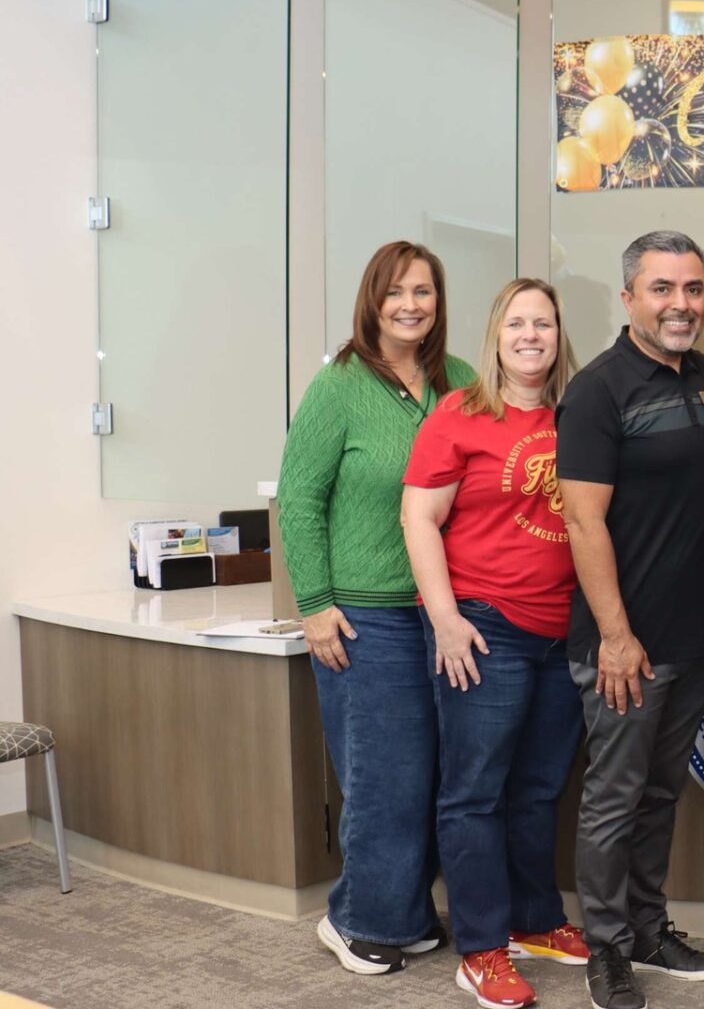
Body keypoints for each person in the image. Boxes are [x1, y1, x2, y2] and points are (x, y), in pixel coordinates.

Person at [279, 240, 474, 974]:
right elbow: (299, 497)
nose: (410, 305)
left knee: (430, 775)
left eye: (423, 291)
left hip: (442, 612)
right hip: (365, 616)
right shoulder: (341, 382)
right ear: (373, 300)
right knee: (383, 776)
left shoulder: (457, 380)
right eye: (396, 292)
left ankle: (405, 910)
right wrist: (316, 604)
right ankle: (357, 918)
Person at [400, 278, 588, 1009]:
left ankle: (535, 921)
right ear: (497, 335)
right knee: (474, 794)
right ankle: (480, 948)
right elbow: (419, 519)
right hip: (484, 625)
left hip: (560, 627)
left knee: (539, 789)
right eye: (518, 323)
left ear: (558, 333)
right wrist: (445, 619)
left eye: (543, 323)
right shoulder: (459, 415)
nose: (531, 335)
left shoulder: (579, 417)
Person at [557, 231, 704, 1009]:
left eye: (692, 289)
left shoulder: (702, 376)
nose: (681, 304)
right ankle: (606, 948)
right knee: (614, 796)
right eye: (663, 289)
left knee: (661, 792)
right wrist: (617, 637)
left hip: (693, 634)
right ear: (629, 297)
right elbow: (583, 523)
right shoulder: (598, 390)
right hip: (623, 642)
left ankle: (649, 927)